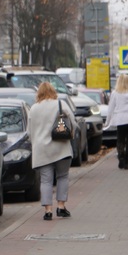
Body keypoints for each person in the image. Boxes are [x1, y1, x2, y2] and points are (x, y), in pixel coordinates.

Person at [28, 82, 75, 220]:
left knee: (46, 181)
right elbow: (72, 122)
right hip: (61, 147)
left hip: (42, 150)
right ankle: (61, 206)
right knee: (63, 176)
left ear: (39, 93)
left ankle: (48, 210)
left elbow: (29, 132)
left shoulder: (33, 108)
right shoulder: (60, 104)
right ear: (53, 92)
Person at [103, 73, 128, 170]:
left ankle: (121, 157)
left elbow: (111, 108)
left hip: (120, 119)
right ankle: (127, 163)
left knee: (120, 140)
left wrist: (107, 121)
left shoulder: (115, 93)